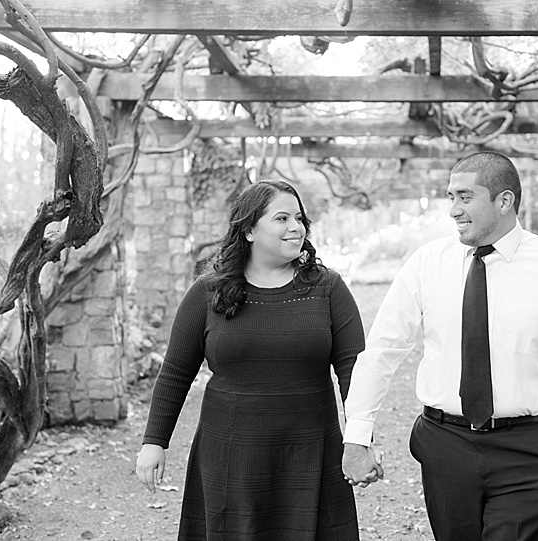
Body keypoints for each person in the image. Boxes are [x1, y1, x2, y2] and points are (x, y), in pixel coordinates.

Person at [341, 151, 538, 541]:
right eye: (451, 197)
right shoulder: (427, 263)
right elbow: (382, 351)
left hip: (529, 454)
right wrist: (357, 435)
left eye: (465, 197)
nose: (453, 210)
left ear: (504, 200)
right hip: (444, 446)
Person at [135, 179, 366, 541]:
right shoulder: (207, 292)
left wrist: (360, 441)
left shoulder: (328, 289)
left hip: (310, 451)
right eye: (282, 218)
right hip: (230, 457)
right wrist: (154, 441)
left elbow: (355, 371)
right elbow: (176, 373)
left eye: (299, 218)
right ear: (249, 230)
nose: (296, 227)